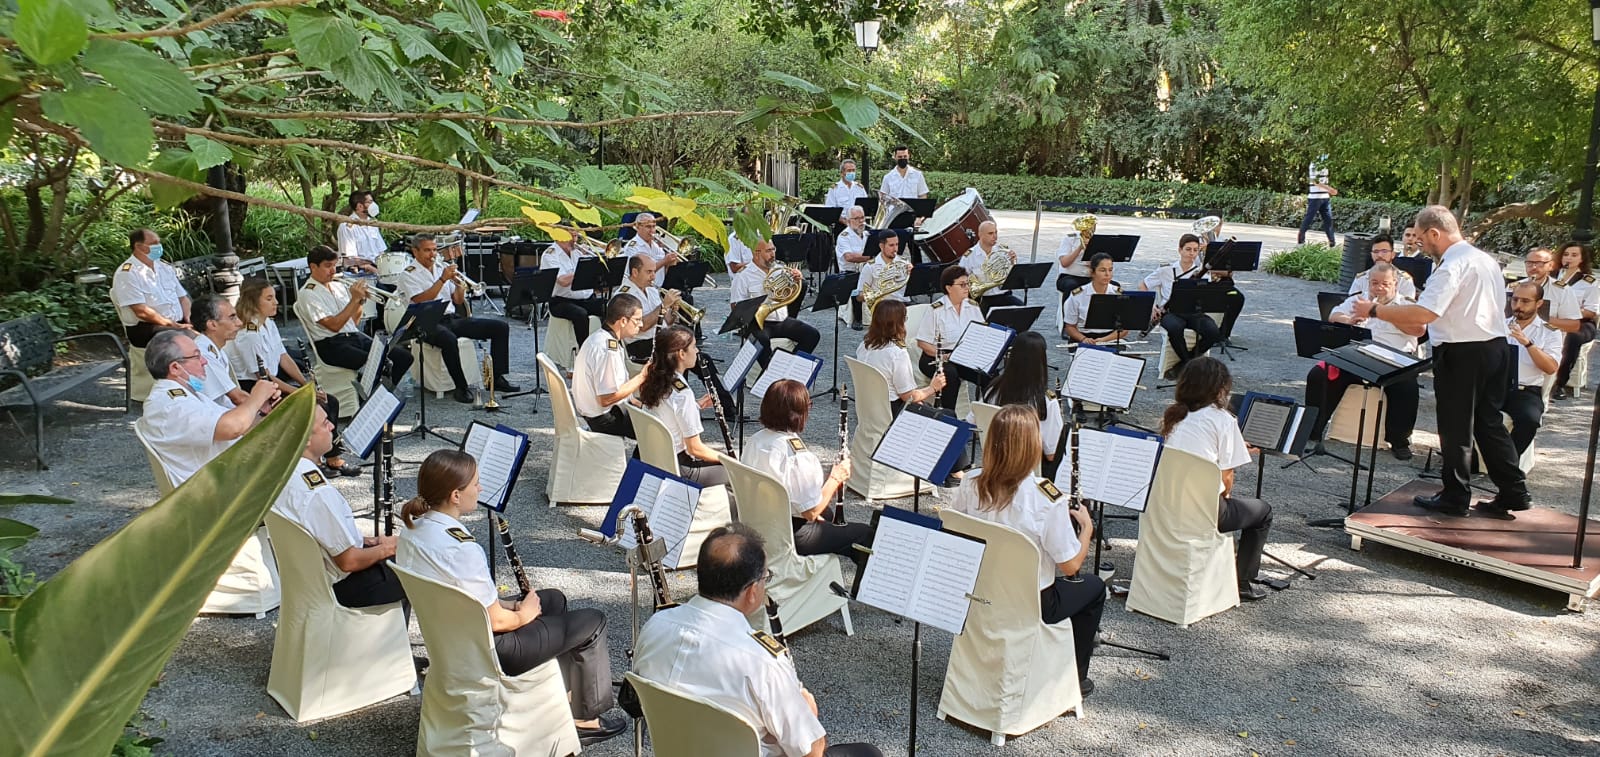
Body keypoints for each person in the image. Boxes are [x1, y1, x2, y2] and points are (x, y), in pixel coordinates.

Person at [396, 449, 627, 746]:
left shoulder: (413, 530)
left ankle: (561, 696)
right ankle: (585, 719)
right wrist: (522, 614)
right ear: (455, 495)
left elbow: (459, 595)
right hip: (492, 650)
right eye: (475, 484)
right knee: (593, 621)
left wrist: (513, 603)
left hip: (453, 638)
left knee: (552, 599)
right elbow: (495, 620)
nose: (480, 489)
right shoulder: (462, 548)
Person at [632, 524, 883, 757]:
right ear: (752, 592)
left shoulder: (655, 626)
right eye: (766, 577)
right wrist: (808, 713)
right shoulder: (762, 662)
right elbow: (811, 752)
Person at [1352, 205, 1530, 518]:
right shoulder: (1484, 259)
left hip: (1464, 352)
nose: (1419, 244)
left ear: (1436, 233)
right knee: (1488, 422)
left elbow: (1425, 313)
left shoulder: (1452, 265)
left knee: (1455, 426)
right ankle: (1514, 490)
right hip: (1496, 347)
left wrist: (1375, 311)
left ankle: (1455, 495)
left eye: (1421, 238)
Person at [946, 404, 1101, 694]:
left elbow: (956, 533)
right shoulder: (1047, 498)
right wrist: (1087, 531)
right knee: (1093, 589)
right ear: (1031, 446)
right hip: (1031, 601)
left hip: (978, 590)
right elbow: (1070, 567)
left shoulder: (970, 481)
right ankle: (1076, 679)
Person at [1159, 357, 1275, 602]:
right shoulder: (1224, 420)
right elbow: (1226, 476)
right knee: (1263, 511)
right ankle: (1242, 582)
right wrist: (1225, 496)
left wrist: (1233, 445)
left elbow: (1193, 455)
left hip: (1165, 504)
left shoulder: (1174, 417)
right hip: (1202, 510)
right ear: (1221, 388)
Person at [746, 379, 875, 591]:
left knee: (831, 513)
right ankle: (867, 589)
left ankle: (824, 577)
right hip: (793, 536)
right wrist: (835, 478)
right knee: (864, 533)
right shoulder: (799, 457)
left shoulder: (756, 441)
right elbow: (811, 512)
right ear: (796, 414)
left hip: (762, 524)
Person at [273, 402, 404, 607]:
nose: (332, 427)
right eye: (325, 423)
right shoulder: (317, 492)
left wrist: (367, 541)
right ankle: (392, 635)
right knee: (421, 565)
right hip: (341, 586)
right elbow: (349, 561)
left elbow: (323, 533)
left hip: (311, 578)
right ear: (306, 439)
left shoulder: (284, 470)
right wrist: (387, 549)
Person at [231, 277, 360, 477]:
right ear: (254, 302)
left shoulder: (269, 325)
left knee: (329, 401)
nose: (276, 302)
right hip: (256, 389)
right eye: (269, 298)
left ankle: (331, 458)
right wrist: (303, 393)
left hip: (272, 383)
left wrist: (306, 384)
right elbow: (264, 377)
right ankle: (314, 459)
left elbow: (283, 357)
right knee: (320, 406)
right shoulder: (250, 334)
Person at [1303, 263, 1424, 460]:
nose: (1379, 288)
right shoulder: (1360, 300)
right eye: (1374, 283)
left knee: (1406, 388)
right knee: (1319, 375)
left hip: (1392, 360)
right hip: (1358, 356)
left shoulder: (1406, 305)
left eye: (1385, 284)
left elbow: (1419, 331)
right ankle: (1313, 429)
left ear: (1395, 283)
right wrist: (1348, 320)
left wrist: (1383, 312)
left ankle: (1399, 440)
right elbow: (1333, 315)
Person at [136, 330, 280, 485]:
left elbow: (240, 425)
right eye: (197, 356)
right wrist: (256, 398)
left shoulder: (190, 394)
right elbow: (232, 428)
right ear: (176, 368)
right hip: (217, 486)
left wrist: (263, 410)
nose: (204, 361)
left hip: (230, 471)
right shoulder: (170, 404)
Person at [396, 235, 520, 404]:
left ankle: (496, 378)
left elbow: (458, 301)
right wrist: (442, 279)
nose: (432, 254)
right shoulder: (408, 274)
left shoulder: (441, 267)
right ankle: (461, 387)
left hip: (450, 318)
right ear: (415, 251)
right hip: (424, 322)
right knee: (448, 339)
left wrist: (459, 286)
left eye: (434, 249)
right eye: (427, 250)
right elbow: (422, 299)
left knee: (500, 327)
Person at [299, 245, 413, 386]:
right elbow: (334, 326)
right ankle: (370, 398)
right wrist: (354, 299)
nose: (333, 270)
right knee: (377, 365)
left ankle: (382, 394)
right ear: (313, 267)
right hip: (331, 345)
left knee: (403, 357)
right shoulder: (308, 293)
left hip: (352, 337)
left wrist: (360, 300)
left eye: (334, 265)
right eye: (327, 266)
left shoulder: (337, 286)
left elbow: (354, 321)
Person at [637, 326, 730, 488]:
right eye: (694, 347)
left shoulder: (656, 379)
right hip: (679, 466)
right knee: (739, 475)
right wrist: (729, 460)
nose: (697, 351)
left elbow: (669, 410)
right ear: (681, 354)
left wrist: (696, 406)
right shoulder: (683, 393)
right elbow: (695, 449)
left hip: (655, 457)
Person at [974, 332, 1065, 478]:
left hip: (995, 464)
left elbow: (973, 420)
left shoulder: (992, 389)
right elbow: (1051, 454)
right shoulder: (1046, 401)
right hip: (1030, 473)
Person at [731, 239, 821, 365]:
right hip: (756, 323)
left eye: (774, 249)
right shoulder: (743, 276)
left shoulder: (780, 270)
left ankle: (792, 366)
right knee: (763, 346)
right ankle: (770, 376)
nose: (773, 254)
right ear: (756, 253)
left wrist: (797, 280)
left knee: (812, 335)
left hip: (781, 320)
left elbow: (793, 292)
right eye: (768, 251)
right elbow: (735, 306)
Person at [573, 294, 651, 439]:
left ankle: (639, 461)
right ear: (622, 321)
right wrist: (643, 376)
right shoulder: (608, 350)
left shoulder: (600, 337)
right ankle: (639, 462)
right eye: (637, 320)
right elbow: (606, 399)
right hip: (604, 418)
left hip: (602, 412)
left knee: (654, 418)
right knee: (658, 433)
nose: (641, 325)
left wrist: (639, 405)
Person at [1143, 233, 1220, 378]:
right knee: (1174, 328)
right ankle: (1190, 364)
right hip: (1171, 312)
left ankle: (1184, 365)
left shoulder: (1202, 272)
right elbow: (1143, 285)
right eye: (1188, 249)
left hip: (1193, 312)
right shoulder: (1166, 270)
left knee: (1213, 332)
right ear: (1180, 250)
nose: (1191, 254)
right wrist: (1152, 306)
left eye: (1195, 250)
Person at [1504, 281, 1562, 458]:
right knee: (1465, 408)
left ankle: (1508, 463)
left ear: (1539, 304)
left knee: (1529, 420)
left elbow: (1551, 367)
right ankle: (1472, 460)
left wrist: (1527, 343)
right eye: (1515, 300)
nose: (1518, 306)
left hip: (1525, 391)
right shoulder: (1498, 324)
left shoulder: (1550, 332)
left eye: (1525, 301)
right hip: (1495, 385)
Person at [854, 299, 946, 409]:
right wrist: (933, 387)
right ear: (899, 324)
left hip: (869, 408)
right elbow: (908, 396)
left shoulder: (863, 346)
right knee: (948, 416)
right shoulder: (897, 354)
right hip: (892, 410)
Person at [915, 265, 983, 411]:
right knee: (950, 374)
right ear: (949, 288)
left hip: (964, 356)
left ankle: (987, 412)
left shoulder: (973, 307)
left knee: (990, 373)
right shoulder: (936, 309)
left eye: (968, 284)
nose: (967, 288)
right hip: (936, 356)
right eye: (962, 285)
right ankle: (947, 415)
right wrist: (945, 356)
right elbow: (923, 343)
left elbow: (981, 333)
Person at [112, 228, 191, 348]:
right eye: (154, 243)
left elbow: (183, 298)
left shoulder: (163, 267)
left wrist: (189, 319)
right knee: (191, 339)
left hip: (176, 324)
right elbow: (141, 311)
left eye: (159, 242)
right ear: (139, 246)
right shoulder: (127, 273)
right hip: (147, 328)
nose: (159, 246)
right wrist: (172, 325)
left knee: (213, 328)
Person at [1550, 241, 1598, 399]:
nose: (1568, 258)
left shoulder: (1590, 282)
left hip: (1581, 323)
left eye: (1574, 255)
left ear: (1582, 259)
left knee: (1572, 337)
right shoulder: (1551, 276)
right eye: (1566, 254)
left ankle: (1559, 384)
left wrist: (1568, 314)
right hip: (1552, 318)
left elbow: (1591, 311)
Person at [541, 235, 606, 345]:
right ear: (560, 234)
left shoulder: (577, 252)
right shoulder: (550, 255)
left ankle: (606, 346)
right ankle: (584, 351)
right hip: (561, 301)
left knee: (612, 307)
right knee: (580, 314)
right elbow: (562, 280)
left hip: (587, 299)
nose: (575, 240)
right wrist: (585, 268)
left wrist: (595, 261)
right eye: (572, 236)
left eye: (576, 236)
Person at [616, 255, 678, 364]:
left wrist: (673, 310)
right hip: (639, 345)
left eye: (654, 272)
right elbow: (642, 326)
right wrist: (663, 306)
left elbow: (666, 321)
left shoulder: (652, 290)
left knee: (696, 355)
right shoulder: (624, 295)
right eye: (649, 272)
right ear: (635, 272)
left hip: (658, 339)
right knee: (679, 355)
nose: (653, 277)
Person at [190, 295, 249, 408]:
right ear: (212, 324)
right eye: (232, 317)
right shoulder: (204, 353)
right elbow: (238, 398)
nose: (240, 323)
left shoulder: (214, 348)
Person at [1062, 254, 1128, 345]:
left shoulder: (1119, 294)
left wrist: (1104, 340)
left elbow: (1124, 329)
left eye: (1110, 270)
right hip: (1084, 337)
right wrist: (1084, 339)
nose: (1107, 274)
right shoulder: (1077, 295)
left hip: (1111, 338)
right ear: (1092, 272)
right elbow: (1070, 327)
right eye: (1102, 270)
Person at [960, 220, 1022, 312]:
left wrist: (1013, 262)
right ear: (980, 235)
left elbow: (1012, 276)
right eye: (990, 233)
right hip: (983, 299)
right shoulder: (969, 256)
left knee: (1022, 309)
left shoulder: (1003, 251)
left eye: (996, 232)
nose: (995, 236)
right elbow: (960, 280)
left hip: (1004, 295)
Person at [855, 232, 909, 316]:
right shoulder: (870, 267)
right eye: (891, 245)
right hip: (883, 309)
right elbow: (859, 296)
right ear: (881, 246)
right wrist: (877, 295)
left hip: (903, 306)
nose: (895, 249)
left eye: (897, 244)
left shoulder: (904, 262)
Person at [1348, 234, 1417, 299]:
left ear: (1393, 254)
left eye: (1384, 251)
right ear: (1371, 254)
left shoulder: (1404, 280)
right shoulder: (1361, 279)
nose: (1380, 255)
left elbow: (1408, 308)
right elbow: (1350, 305)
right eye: (1376, 251)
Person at [836, 207, 871, 330]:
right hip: (850, 272)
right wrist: (869, 256)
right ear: (849, 220)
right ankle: (858, 318)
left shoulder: (868, 234)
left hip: (866, 268)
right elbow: (849, 257)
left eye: (862, 217)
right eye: (857, 218)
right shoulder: (844, 236)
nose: (861, 221)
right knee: (857, 283)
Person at [335, 190, 384, 273]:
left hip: (378, 268)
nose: (373, 205)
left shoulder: (372, 224)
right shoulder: (346, 227)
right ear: (359, 206)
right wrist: (371, 268)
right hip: (361, 272)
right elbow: (350, 259)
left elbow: (381, 251)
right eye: (369, 202)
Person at [623, 212, 677, 288]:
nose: (652, 230)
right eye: (648, 227)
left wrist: (671, 261)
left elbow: (663, 268)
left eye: (654, 227)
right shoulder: (633, 246)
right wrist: (665, 261)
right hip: (641, 289)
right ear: (638, 227)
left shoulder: (656, 245)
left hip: (658, 288)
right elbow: (641, 273)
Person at [1297, 156, 1337, 246]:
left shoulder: (1325, 163)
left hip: (1325, 197)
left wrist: (1328, 190)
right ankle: (1301, 239)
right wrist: (1330, 189)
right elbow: (1315, 181)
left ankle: (1332, 242)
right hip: (1315, 197)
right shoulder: (1315, 164)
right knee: (1309, 218)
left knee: (1328, 220)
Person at [1053, 217, 1094, 300]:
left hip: (1090, 277)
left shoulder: (1096, 240)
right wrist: (1080, 248)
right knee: (1071, 286)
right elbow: (1064, 263)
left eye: (1093, 225)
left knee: (1113, 286)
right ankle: (1068, 312)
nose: (1090, 228)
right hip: (1069, 277)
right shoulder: (1070, 238)